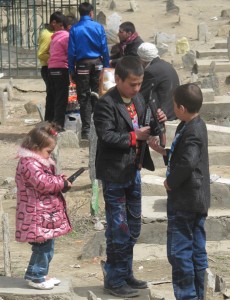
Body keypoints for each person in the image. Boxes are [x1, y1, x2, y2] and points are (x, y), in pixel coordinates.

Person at [93, 56, 166, 298]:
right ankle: (113, 280)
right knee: (118, 229)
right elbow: (107, 136)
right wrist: (135, 137)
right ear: (118, 79)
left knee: (133, 227)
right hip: (114, 174)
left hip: (133, 171)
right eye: (132, 84)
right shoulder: (106, 104)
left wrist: (158, 123)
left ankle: (125, 273)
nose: (136, 89)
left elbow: (148, 126)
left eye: (139, 84)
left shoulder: (139, 98)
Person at [148, 83, 210, 300]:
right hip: (196, 199)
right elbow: (181, 156)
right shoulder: (192, 124)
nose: (172, 108)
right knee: (196, 249)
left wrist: (170, 182)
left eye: (174, 105)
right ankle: (197, 294)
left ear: (181, 108)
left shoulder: (193, 130)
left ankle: (188, 295)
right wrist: (162, 152)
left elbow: (188, 161)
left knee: (180, 252)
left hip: (185, 200)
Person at [15, 122, 72, 290]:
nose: (49, 155)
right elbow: (43, 183)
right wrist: (61, 182)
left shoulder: (36, 162)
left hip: (43, 214)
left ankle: (41, 273)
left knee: (47, 246)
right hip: (35, 214)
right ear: (35, 147)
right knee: (43, 248)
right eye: (48, 152)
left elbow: (46, 179)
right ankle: (35, 276)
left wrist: (60, 180)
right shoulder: (29, 164)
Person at [68, 2, 110, 140]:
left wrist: (71, 69)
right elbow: (104, 48)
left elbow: (71, 52)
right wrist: (106, 66)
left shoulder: (74, 29)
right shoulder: (98, 27)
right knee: (97, 95)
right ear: (91, 13)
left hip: (82, 66)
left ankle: (86, 131)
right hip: (97, 64)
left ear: (80, 13)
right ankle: (99, 128)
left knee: (84, 97)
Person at [48, 16, 78, 130]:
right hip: (61, 69)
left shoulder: (56, 37)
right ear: (70, 27)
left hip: (52, 69)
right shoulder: (67, 37)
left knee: (56, 97)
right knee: (61, 98)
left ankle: (53, 122)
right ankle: (58, 126)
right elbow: (70, 53)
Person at [137, 42, 180, 121]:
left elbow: (141, 95)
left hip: (164, 115)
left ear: (142, 59)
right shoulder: (166, 64)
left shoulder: (151, 71)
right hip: (173, 110)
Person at [37, 11, 66, 123]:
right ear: (54, 23)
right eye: (61, 25)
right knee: (53, 97)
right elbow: (41, 54)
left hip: (51, 67)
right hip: (48, 68)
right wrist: (54, 60)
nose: (62, 28)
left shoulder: (52, 33)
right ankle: (50, 121)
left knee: (53, 96)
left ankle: (50, 121)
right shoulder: (47, 35)